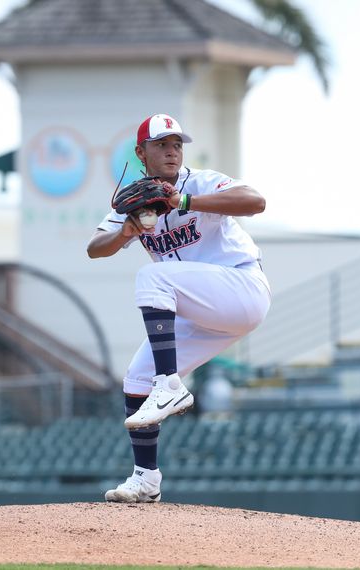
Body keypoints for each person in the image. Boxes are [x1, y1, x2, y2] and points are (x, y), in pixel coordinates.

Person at [87, 113, 271, 503]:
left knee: (154, 277)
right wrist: (126, 231)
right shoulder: (136, 197)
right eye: (162, 145)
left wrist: (184, 200)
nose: (172, 151)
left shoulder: (199, 182)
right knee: (137, 377)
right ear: (141, 153)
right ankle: (146, 478)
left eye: (177, 145)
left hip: (242, 288)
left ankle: (170, 385)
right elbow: (94, 248)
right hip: (203, 310)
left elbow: (256, 201)